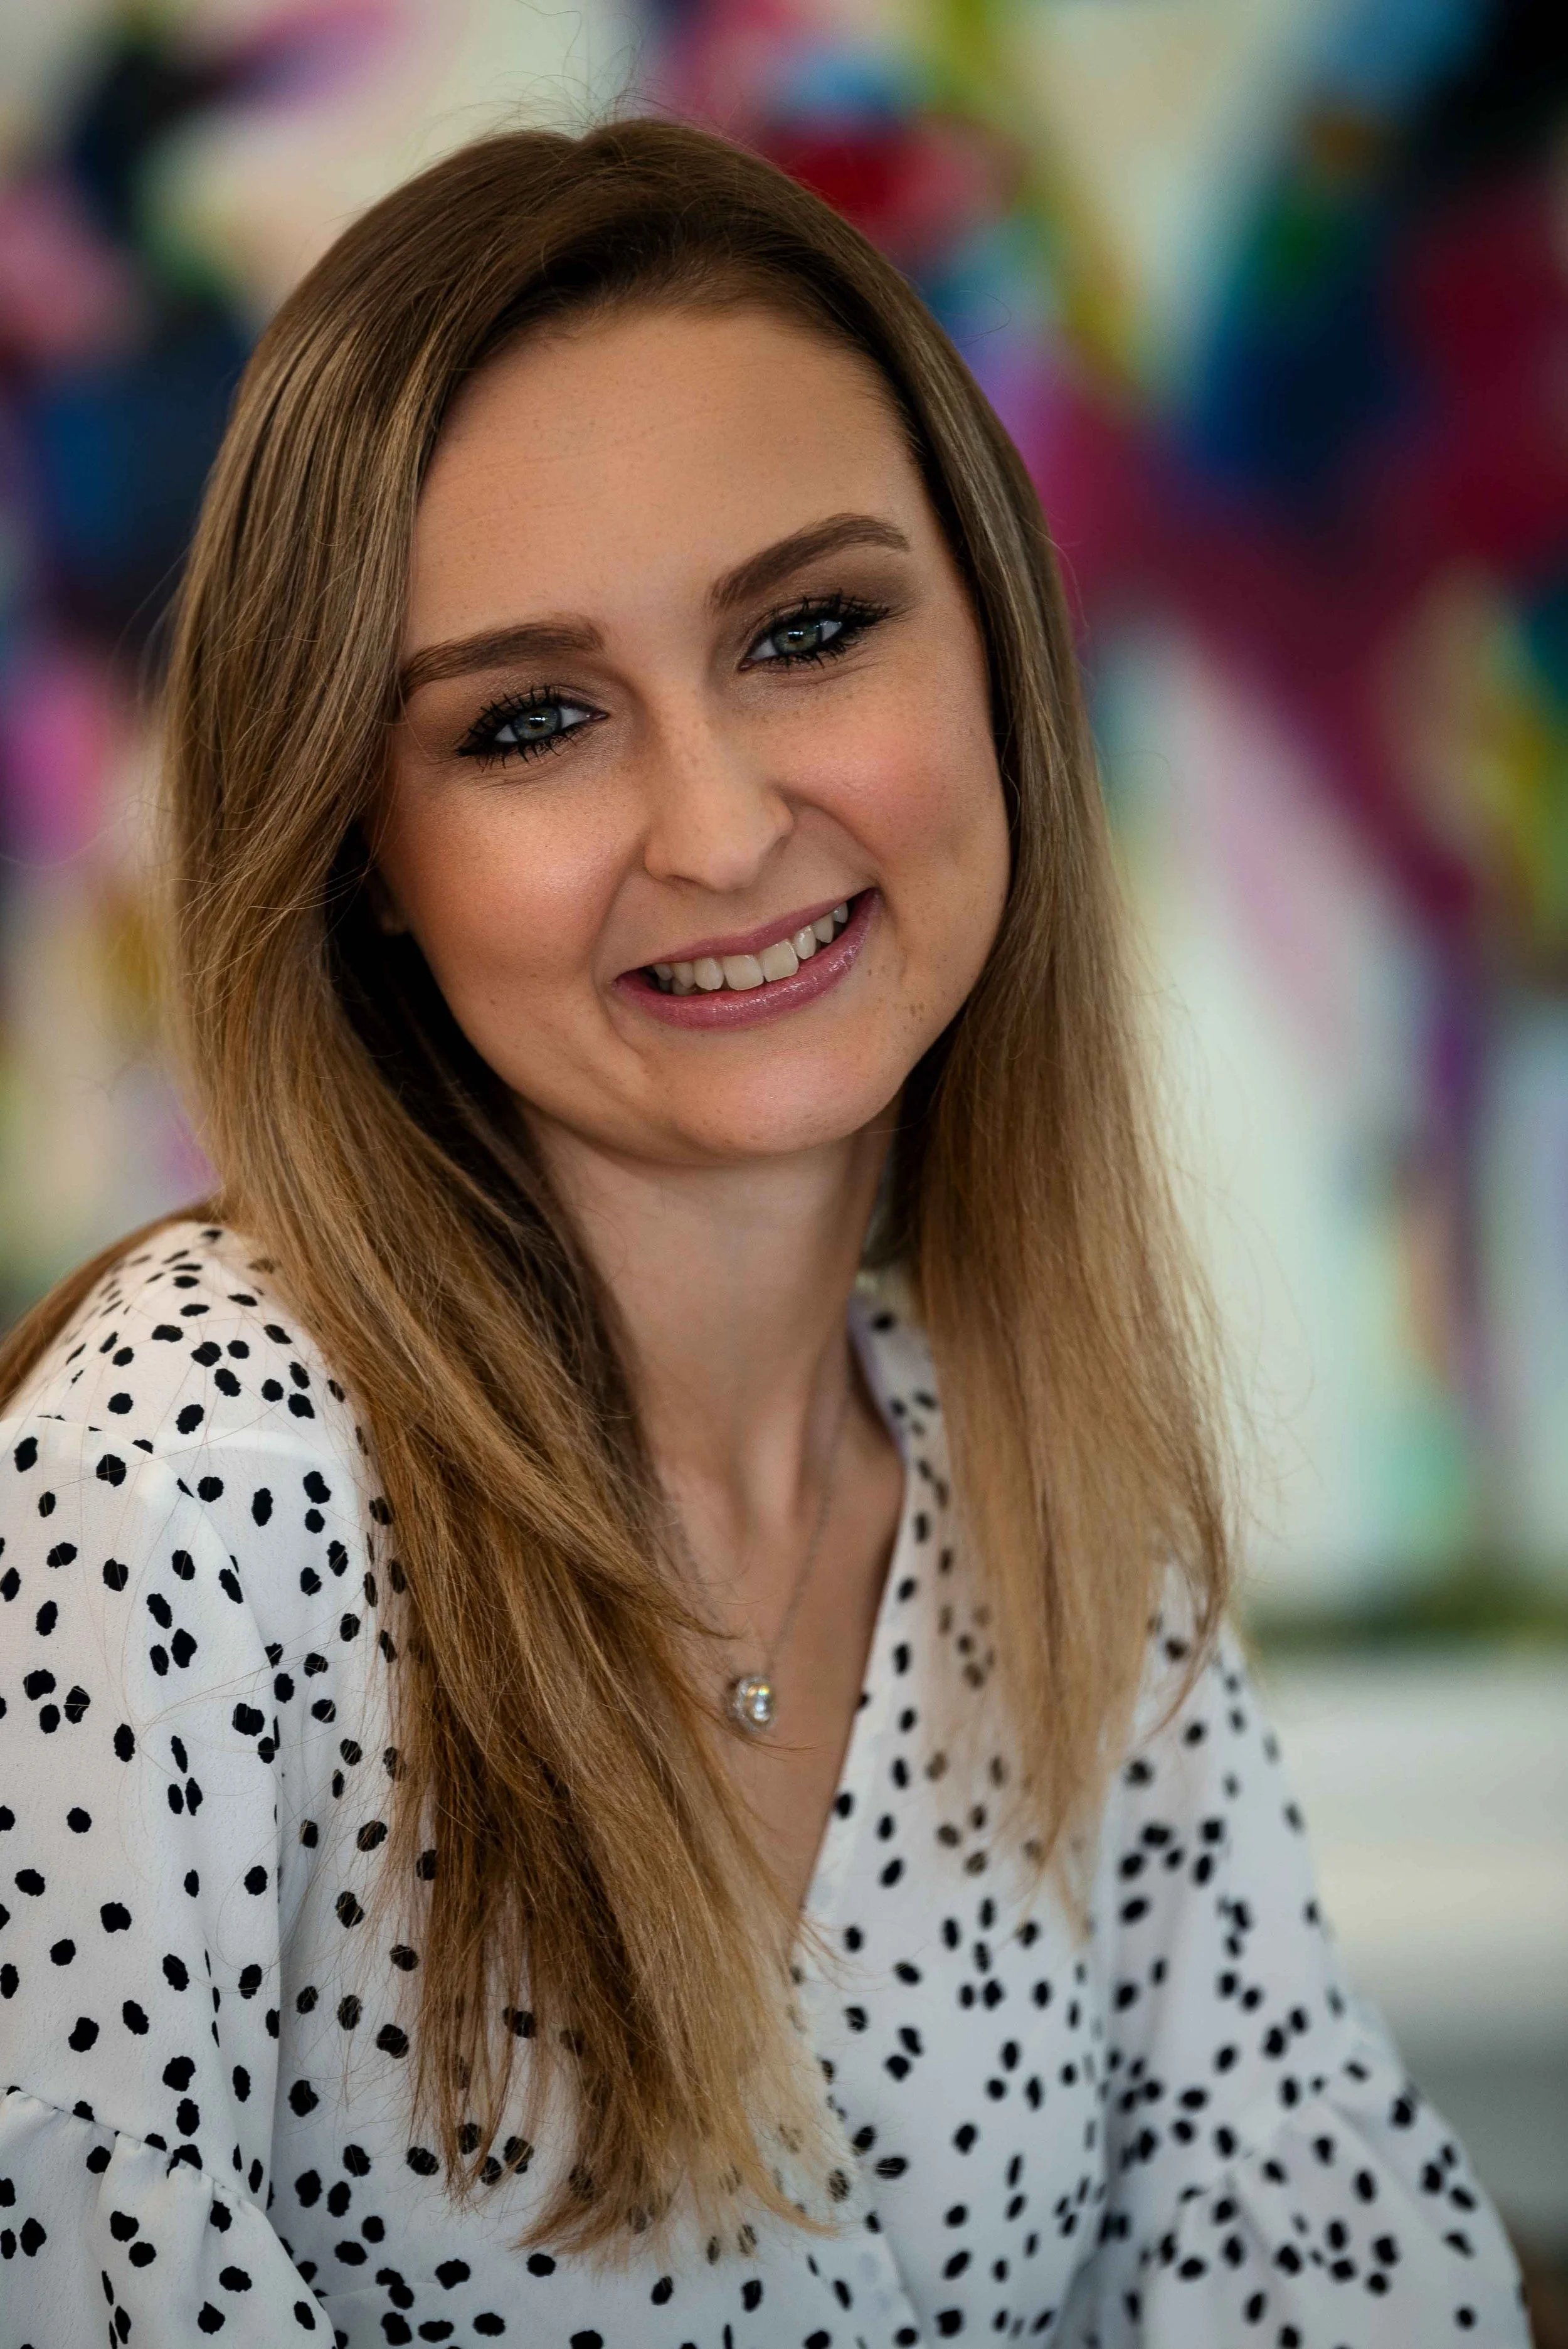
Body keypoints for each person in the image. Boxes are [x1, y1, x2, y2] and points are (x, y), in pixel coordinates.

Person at [0, 117, 1528, 2349]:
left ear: (996, 660)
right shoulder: (190, 1471)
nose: (719, 828)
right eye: (530, 723)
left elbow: (1337, 2274)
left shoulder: (1063, 1523)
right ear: (362, 854)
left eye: (807, 630)